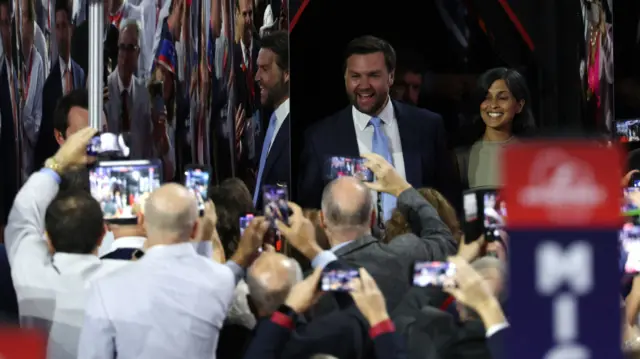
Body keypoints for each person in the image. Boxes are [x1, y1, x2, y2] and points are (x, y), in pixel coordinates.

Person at [77, 184, 270, 359]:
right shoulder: (218, 281)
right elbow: (230, 269)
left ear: (142, 220)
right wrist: (241, 250)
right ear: (194, 228)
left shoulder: (106, 288)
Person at [298, 35, 458, 221]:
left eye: (373, 75)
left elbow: (449, 204)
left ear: (391, 77)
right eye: (355, 76)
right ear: (345, 78)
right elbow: (309, 214)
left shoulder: (428, 127)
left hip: (418, 247)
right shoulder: (320, 138)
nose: (364, 86)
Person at [4, 125, 130, 359]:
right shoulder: (126, 280)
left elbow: (22, 217)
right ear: (103, 235)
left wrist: (57, 162)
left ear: (47, 238)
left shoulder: (31, 276)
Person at [455, 67, 536, 189]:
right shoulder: (462, 158)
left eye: (502, 98)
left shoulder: (532, 157)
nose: (493, 105)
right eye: (487, 98)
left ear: (519, 105)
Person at [34, 0, 85, 169]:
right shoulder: (49, 85)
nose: (61, 34)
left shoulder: (80, 73)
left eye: (64, 26)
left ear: (72, 28)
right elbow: (45, 140)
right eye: (57, 27)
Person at [250, 30, 290, 209]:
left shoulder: (295, 131)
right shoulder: (272, 123)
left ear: (286, 74)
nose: (257, 77)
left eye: (265, 69)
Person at [20, 0, 45, 177]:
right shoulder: (8, 59)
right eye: (20, 16)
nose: (23, 22)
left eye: (26, 16)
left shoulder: (37, 59)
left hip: (30, 157)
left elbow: (39, 117)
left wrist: (26, 119)